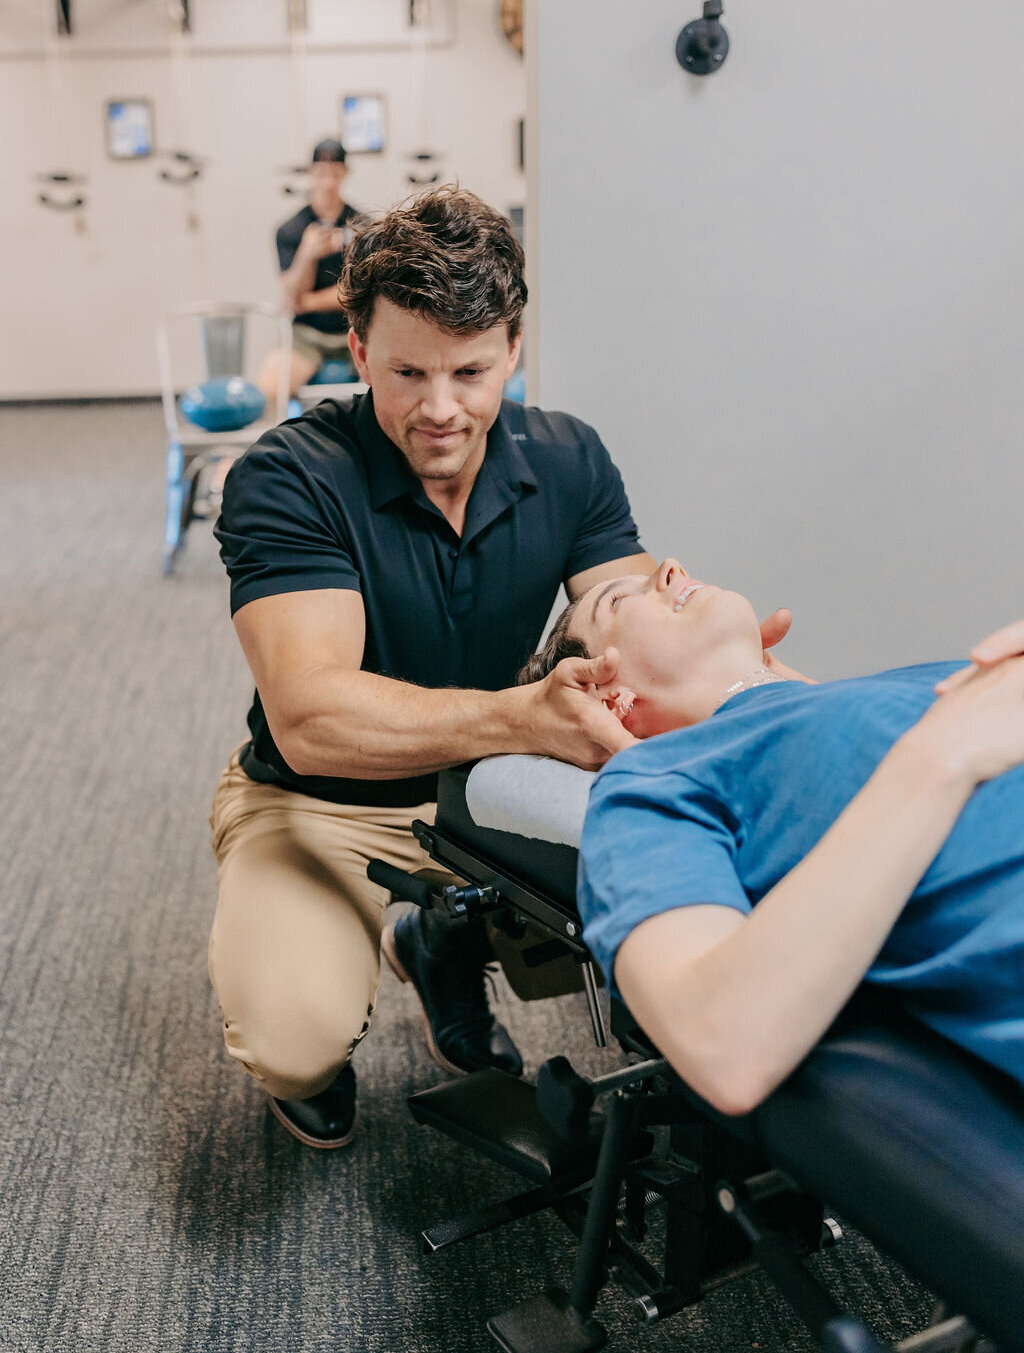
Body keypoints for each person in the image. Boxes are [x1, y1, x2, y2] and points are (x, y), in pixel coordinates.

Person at [211, 186, 798, 1150]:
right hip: (322, 798)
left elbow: (634, 627)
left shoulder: (571, 459)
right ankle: (367, 979)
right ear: (357, 351)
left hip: (486, 790)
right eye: (408, 372)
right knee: (293, 1040)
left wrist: (750, 681)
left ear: (514, 350)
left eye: (472, 371)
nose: (442, 409)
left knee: (706, 888)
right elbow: (310, 716)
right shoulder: (290, 476)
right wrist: (524, 719)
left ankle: (435, 931)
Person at [518, 559, 1024, 1111]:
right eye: (617, 602)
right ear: (609, 699)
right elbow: (717, 1045)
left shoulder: (897, 688)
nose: (668, 567)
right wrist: (939, 757)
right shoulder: (655, 780)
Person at [261, 137, 364, 399]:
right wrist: (307, 255)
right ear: (311, 173)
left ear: (345, 173)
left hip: (354, 329)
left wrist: (305, 302)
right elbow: (291, 293)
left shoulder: (362, 227)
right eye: (322, 174)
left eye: (335, 174)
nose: (328, 183)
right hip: (306, 335)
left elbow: (360, 293)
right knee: (270, 389)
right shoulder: (291, 230)